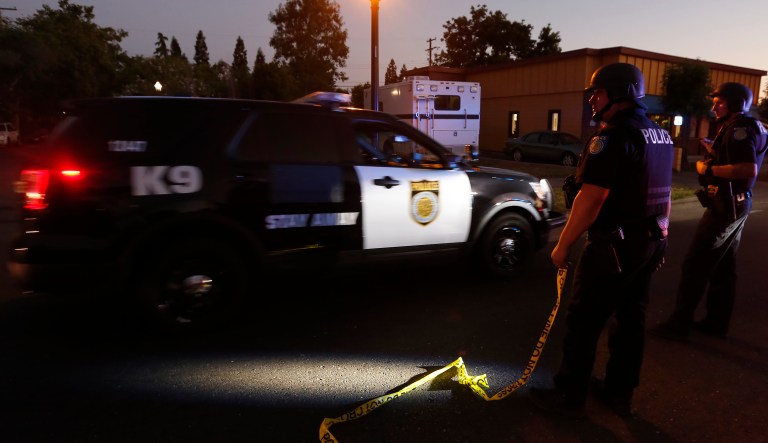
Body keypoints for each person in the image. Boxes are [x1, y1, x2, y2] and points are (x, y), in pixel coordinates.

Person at [529, 63, 673, 419]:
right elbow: (664, 193)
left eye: (597, 92)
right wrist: (663, 236)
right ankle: (619, 392)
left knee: (584, 320)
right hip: (649, 241)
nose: (591, 98)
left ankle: (569, 395)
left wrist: (562, 245)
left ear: (619, 93)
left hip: (614, 246)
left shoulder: (612, 137)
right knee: (630, 318)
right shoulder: (659, 135)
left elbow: (591, 198)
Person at [652, 82, 768, 340]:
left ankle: (679, 324)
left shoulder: (738, 128)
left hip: (726, 205)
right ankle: (717, 322)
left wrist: (709, 169)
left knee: (696, 263)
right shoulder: (753, 126)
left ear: (735, 104)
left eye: (720, 101)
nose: (713, 106)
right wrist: (716, 152)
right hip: (738, 203)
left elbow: (748, 168)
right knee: (724, 266)